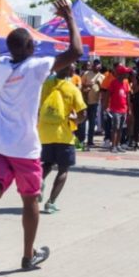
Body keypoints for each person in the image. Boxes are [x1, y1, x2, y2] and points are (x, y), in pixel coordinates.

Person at [0, 0, 82, 277]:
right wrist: (69, 17)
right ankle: (27, 256)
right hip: (24, 148)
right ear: (28, 48)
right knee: (30, 200)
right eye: (31, 44)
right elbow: (76, 51)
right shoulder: (37, 66)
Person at [38, 63, 87, 214]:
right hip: (64, 134)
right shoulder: (72, 88)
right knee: (63, 169)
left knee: (47, 162)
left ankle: (38, 181)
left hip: (45, 132)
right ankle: (51, 202)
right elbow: (82, 114)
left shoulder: (46, 84)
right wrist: (75, 120)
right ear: (69, 71)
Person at [107, 64, 133, 153]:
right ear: (121, 73)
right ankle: (113, 146)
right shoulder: (113, 83)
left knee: (121, 128)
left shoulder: (126, 83)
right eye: (126, 73)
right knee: (115, 127)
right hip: (115, 109)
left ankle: (118, 145)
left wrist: (129, 109)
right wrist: (107, 106)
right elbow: (108, 95)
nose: (128, 74)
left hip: (123, 109)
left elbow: (127, 96)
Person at [81, 60, 105, 150]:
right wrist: (86, 85)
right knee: (82, 121)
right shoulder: (87, 73)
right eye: (96, 65)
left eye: (99, 66)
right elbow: (81, 84)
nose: (97, 67)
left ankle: (90, 141)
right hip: (85, 101)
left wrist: (100, 84)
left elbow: (104, 89)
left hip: (94, 102)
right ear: (93, 66)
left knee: (92, 122)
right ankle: (82, 139)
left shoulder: (102, 76)